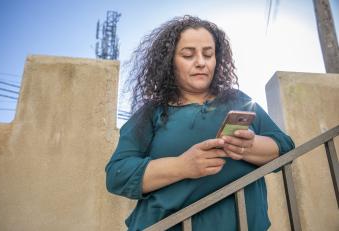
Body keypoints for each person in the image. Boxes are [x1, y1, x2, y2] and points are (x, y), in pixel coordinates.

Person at [105, 15, 294, 231]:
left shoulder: (239, 100)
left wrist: (248, 147)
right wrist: (182, 166)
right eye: (188, 55)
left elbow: (285, 147)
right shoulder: (152, 112)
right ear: (169, 62)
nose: (201, 62)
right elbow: (117, 174)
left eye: (208, 54)